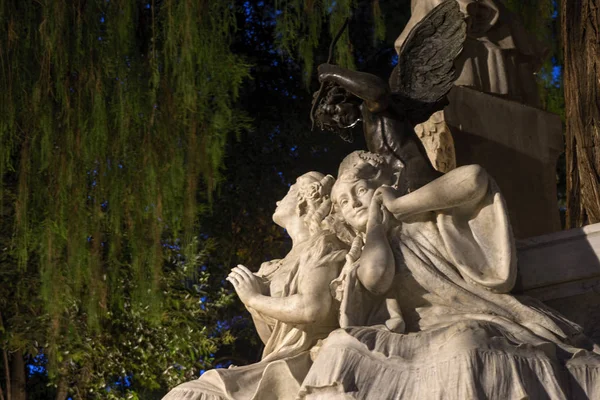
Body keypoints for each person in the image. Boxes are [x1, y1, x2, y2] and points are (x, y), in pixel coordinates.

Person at [298, 151, 600, 399]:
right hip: (418, 334)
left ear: (381, 185)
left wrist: (399, 204)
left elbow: (474, 178)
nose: (354, 203)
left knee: (466, 348)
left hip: (474, 320)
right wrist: (376, 223)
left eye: (361, 190)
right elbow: (376, 277)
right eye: (344, 202)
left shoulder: (425, 217)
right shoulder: (364, 253)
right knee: (338, 347)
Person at [163, 172, 347, 400]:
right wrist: (254, 307)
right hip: (278, 360)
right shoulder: (274, 266)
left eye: (288, 191)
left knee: (191, 394)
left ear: (302, 199)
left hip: (309, 360)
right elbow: (272, 340)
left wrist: (254, 299)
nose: (278, 201)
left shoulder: (322, 243)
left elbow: (313, 308)